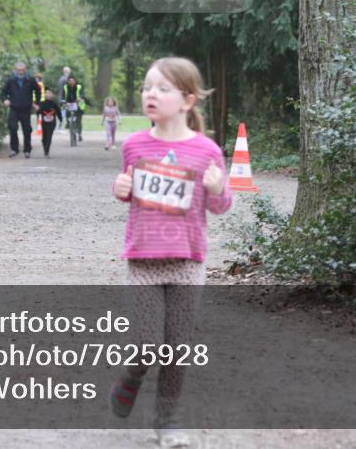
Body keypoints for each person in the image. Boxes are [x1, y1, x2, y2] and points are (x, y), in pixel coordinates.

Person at [109, 57, 231, 448]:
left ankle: (168, 421)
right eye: (147, 87)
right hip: (144, 260)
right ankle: (131, 376)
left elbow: (220, 207)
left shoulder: (207, 151)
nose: (151, 94)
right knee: (147, 345)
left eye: (162, 88)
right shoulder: (134, 145)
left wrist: (216, 189)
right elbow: (131, 195)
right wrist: (121, 190)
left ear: (187, 100)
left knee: (177, 350)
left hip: (187, 262)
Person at [0, 61, 41, 158]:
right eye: (19, 70)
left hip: (26, 108)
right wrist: (5, 100)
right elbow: (3, 92)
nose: (20, 72)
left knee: (27, 130)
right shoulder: (11, 80)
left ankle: (27, 150)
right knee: (12, 128)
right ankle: (14, 149)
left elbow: (38, 91)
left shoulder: (30, 79)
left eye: (22, 70)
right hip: (14, 108)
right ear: (16, 70)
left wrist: (36, 103)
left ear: (25, 69)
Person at [60, 75, 90, 142]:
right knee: (67, 113)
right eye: (70, 81)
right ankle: (68, 123)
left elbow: (82, 94)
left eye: (72, 81)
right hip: (69, 104)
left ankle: (79, 134)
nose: (71, 82)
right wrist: (62, 100)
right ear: (68, 81)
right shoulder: (65, 87)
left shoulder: (79, 87)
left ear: (75, 81)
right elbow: (62, 95)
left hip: (78, 104)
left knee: (78, 120)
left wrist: (80, 98)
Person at [38, 88, 61, 157]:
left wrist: (61, 119)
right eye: (47, 93)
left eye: (50, 93)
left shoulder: (54, 104)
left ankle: (47, 151)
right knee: (44, 138)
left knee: (49, 137)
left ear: (53, 95)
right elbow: (39, 111)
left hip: (52, 123)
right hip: (44, 123)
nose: (48, 94)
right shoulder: (42, 103)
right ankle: (45, 148)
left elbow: (58, 112)